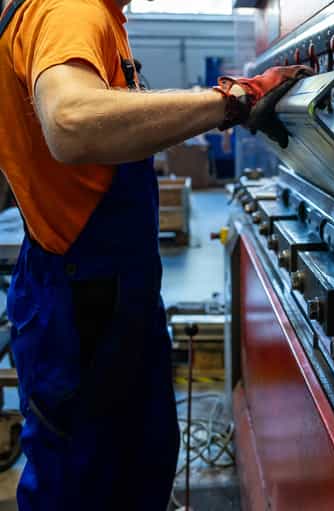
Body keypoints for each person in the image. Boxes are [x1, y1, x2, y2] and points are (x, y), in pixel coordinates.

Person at [0, 0, 312, 508]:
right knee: (81, 482)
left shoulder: (97, 18)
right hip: (82, 302)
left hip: (109, 292)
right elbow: (71, 121)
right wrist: (229, 102)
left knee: (136, 465)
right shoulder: (70, 9)